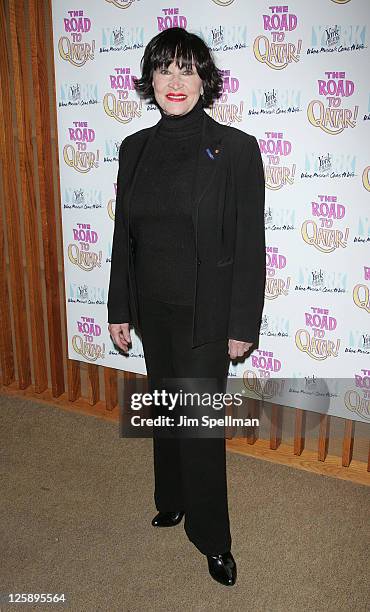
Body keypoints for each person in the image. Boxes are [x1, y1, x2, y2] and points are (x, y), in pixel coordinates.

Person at [107, 27, 266, 587]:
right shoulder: (135, 148)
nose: (176, 81)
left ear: (205, 80)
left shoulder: (237, 149)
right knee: (166, 411)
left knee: (198, 425)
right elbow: (124, 235)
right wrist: (120, 309)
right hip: (154, 309)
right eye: (165, 69)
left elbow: (249, 243)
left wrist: (242, 322)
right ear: (151, 80)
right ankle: (170, 498)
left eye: (188, 69)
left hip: (207, 315)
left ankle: (213, 538)